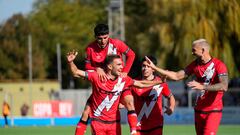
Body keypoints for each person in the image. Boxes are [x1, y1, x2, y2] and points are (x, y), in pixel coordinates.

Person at [146, 39, 228, 135]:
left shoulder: (219, 65)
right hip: (198, 110)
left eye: (194, 50)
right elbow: (177, 76)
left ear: (203, 50)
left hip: (214, 110)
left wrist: (202, 87)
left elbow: (224, 86)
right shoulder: (195, 65)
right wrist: (155, 68)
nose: (192, 53)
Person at [67, 52, 161, 135]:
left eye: (122, 64)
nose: (122, 67)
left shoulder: (123, 79)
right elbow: (76, 72)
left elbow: (140, 83)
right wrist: (71, 62)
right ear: (110, 66)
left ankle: (133, 131)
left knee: (129, 102)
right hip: (98, 123)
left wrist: (159, 82)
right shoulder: (96, 76)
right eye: (119, 65)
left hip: (114, 123)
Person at [76, 23, 136, 135]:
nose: (103, 41)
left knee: (130, 103)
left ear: (109, 35)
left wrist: (125, 72)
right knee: (86, 112)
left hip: (118, 84)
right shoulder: (90, 49)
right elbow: (87, 68)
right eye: (100, 38)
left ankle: (134, 132)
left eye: (105, 38)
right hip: (102, 87)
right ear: (95, 37)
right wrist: (97, 68)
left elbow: (131, 55)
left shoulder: (117, 44)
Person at [123, 56, 175, 135]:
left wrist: (171, 107)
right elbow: (126, 98)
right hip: (138, 124)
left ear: (153, 69)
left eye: (148, 66)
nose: (145, 68)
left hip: (156, 124)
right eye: (143, 66)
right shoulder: (134, 83)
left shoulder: (161, 83)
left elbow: (170, 97)